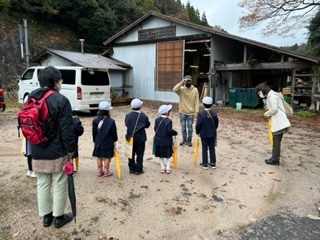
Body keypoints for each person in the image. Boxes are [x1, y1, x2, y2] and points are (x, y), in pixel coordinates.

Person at [30, 66, 75, 228]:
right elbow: (66, 129)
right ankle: (58, 218)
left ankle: (46, 217)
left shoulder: (31, 97)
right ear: (55, 81)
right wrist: (71, 149)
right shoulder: (60, 100)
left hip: (36, 148)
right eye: (59, 80)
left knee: (42, 183)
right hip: (56, 150)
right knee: (59, 183)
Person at [255, 82, 291, 165]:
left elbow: (274, 109)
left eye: (258, 92)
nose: (258, 94)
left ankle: (275, 159)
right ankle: (274, 157)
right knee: (276, 141)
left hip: (279, 122)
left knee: (276, 141)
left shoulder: (272, 97)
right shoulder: (272, 96)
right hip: (279, 122)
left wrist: (266, 114)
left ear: (262, 90)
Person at [125, 98, 150, 175]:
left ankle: (131, 168)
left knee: (130, 153)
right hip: (140, 137)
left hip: (130, 136)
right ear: (140, 106)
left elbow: (126, 124)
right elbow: (147, 125)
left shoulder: (128, 115)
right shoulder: (143, 116)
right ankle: (139, 169)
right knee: (140, 153)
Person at [92, 101, 118, 177]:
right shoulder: (111, 121)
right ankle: (106, 171)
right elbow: (114, 132)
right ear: (108, 111)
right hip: (108, 141)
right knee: (107, 156)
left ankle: (99, 171)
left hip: (98, 141)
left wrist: (95, 140)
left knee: (99, 156)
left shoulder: (95, 120)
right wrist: (115, 139)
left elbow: (94, 132)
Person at [173, 75, 199, 147]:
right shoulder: (181, 89)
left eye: (189, 81)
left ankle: (189, 140)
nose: (188, 82)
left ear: (191, 81)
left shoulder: (195, 90)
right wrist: (182, 82)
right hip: (182, 112)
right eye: (187, 81)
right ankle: (184, 140)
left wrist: (196, 112)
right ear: (184, 81)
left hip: (191, 112)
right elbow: (174, 89)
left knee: (190, 127)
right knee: (183, 126)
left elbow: (197, 101)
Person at [195, 96, 219, 169]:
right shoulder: (214, 113)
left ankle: (205, 163)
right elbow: (216, 123)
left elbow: (198, 124)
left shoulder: (201, 113)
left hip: (204, 133)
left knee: (204, 148)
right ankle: (213, 163)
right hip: (212, 133)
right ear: (211, 104)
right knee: (212, 148)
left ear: (203, 104)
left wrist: (197, 131)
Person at [154, 104, 178, 174]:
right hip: (167, 141)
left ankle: (162, 167)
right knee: (168, 155)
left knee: (160, 155)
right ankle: (168, 167)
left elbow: (155, 129)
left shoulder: (157, 120)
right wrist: (175, 132)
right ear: (167, 112)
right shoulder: (169, 121)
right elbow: (169, 131)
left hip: (159, 140)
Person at [71, 104, 84, 176]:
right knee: (71, 156)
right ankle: (70, 170)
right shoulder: (75, 121)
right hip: (72, 140)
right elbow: (80, 131)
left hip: (62, 140)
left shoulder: (61, 118)